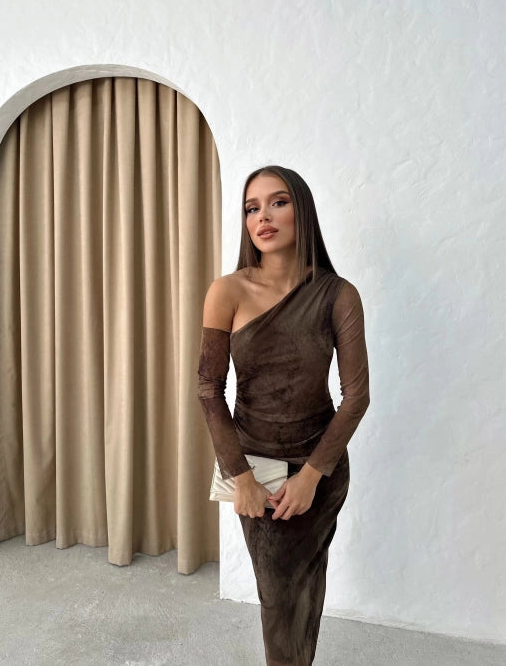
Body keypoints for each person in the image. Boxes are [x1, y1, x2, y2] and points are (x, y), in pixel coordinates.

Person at [197, 165, 370, 666]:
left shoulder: (338, 294)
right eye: (252, 208)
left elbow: (356, 397)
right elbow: (209, 390)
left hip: (321, 468)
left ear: (302, 209)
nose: (263, 217)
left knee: (307, 588)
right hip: (256, 470)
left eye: (277, 202)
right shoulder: (227, 291)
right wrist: (241, 478)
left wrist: (312, 476)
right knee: (278, 600)